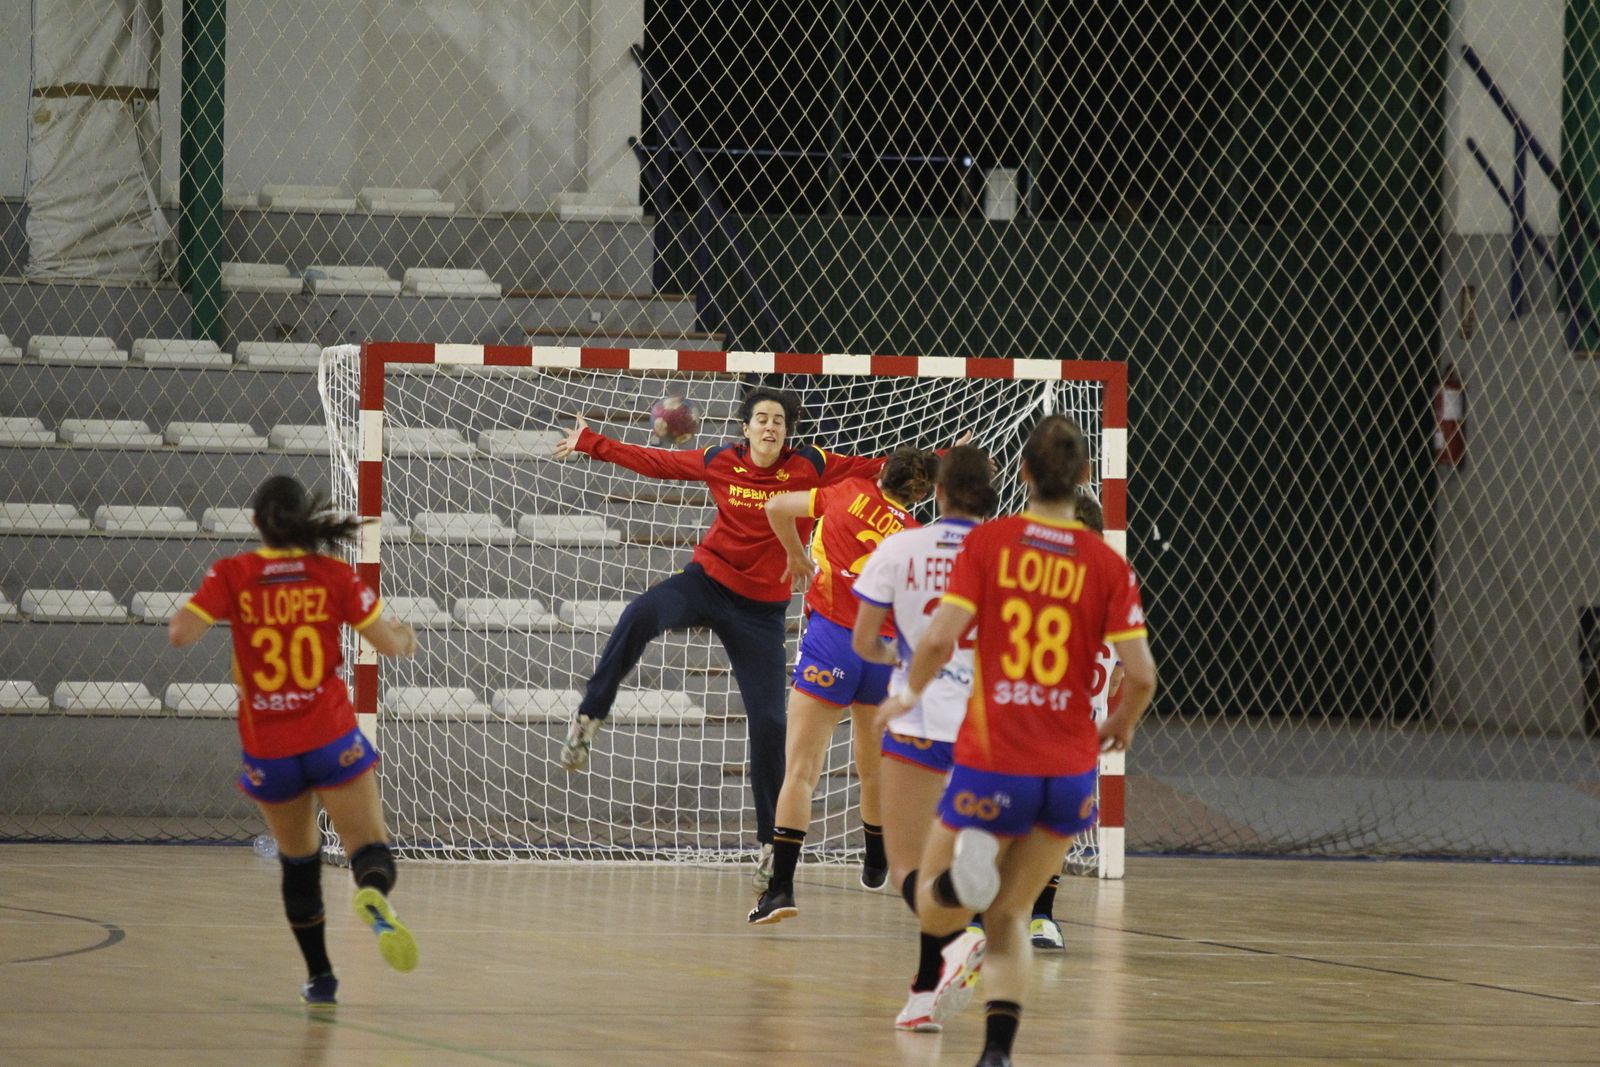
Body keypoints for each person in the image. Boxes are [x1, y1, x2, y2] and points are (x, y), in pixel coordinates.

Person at [873, 416, 1156, 1066]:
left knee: (932, 896)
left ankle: (956, 890)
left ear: (1022, 474)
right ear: (1084, 477)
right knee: (1015, 912)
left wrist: (908, 694)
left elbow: (941, 638)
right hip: (1069, 769)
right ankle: (997, 1053)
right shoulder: (1109, 565)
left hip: (996, 754)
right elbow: (1140, 675)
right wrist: (1120, 724)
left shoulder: (992, 543)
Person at [551, 386, 905, 888]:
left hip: (761, 612)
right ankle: (589, 717)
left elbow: (878, 467)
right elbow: (659, 463)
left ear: (787, 431)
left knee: (767, 722)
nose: (769, 426)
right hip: (707, 582)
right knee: (639, 613)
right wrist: (593, 442)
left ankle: (769, 844)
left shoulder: (811, 465)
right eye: (760, 418)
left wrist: (944, 460)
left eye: (778, 421)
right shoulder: (722, 460)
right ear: (745, 427)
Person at [167, 474, 421, 1008]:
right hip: (331, 738)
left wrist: (221, 610)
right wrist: (403, 637)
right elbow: (387, 644)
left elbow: (180, 634)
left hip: (270, 748)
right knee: (368, 847)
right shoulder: (333, 574)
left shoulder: (234, 573)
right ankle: (372, 891)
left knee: (299, 861)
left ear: (257, 523)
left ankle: (321, 978)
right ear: (305, 519)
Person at [746, 445, 938, 924]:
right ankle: (876, 858)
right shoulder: (917, 536)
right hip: (883, 654)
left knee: (801, 772)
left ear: (881, 474)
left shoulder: (846, 492)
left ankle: (782, 890)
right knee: (872, 769)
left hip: (831, 641)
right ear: (921, 495)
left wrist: (796, 556)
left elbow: (773, 506)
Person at [846, 445, 998, 1030]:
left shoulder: (902, 546)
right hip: (988, 726)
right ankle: (923, 992)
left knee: (909, 867)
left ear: (937, 491)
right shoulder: (1006, 553)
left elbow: (864, 642)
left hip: (918, 722)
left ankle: (958, 927)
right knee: (950, 857)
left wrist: (899, 664)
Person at [1027, 487, 1124, 950]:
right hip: (1027, 721)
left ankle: (1041, 915)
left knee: (1057, 828)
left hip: (1079, 733)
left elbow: (1125, 668)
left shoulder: (1115, 586)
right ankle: (984, 914)